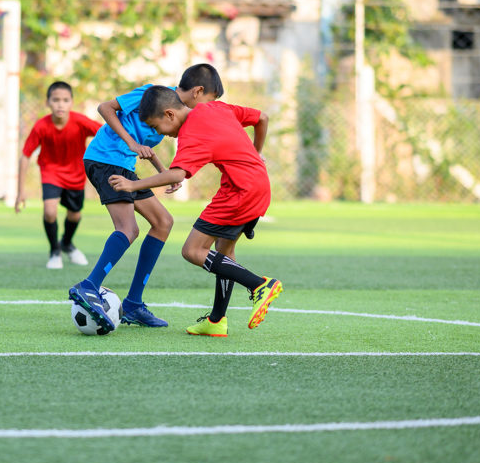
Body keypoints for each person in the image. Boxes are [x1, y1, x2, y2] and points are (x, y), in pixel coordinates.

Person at [107, 85, 282, 337]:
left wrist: (133, 184)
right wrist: (256, 154)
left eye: (157, 128)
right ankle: (216, 320)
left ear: (170, 115)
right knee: (225, 252)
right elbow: (262, 117)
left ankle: (259, 285)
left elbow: (178, 174)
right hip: (258, 185)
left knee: (193, 250)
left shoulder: (191, 133)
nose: (161, 134)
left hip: (238, 193)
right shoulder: (214, 107)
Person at [68, 63, 224, 333]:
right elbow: (105, 107)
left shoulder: (175, 117)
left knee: (163, 221)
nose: (208, 108)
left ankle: (133, 305)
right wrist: (129, 142)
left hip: (124, 167)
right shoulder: (152, 95)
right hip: (104, 159)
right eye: (209, 101)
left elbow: (147, 151)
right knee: (128, 229)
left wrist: (166, 174)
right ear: (198, 92)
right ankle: (89, 286)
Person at [15, 81, 102, 269]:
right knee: (49, 211)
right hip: (51, 172)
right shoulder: (41, 126)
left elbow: (105, 132)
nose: (60, 104)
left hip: (76, 175)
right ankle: (54, 251)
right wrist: (20, 191)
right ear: (48, 102)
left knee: (75, 216)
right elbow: (25, 156)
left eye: (65, 100)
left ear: (71, 102)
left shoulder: (80, 121)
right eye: (55, 100)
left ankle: (67, 244)